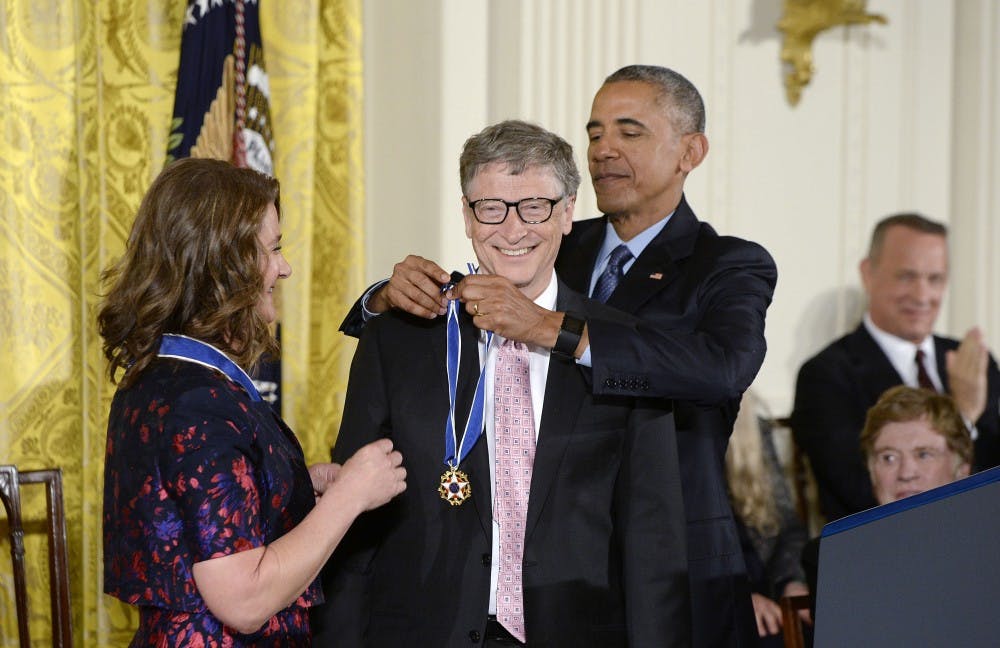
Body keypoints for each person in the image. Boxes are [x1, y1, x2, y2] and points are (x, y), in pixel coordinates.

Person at [340, 65, 776, 647]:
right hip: (448, 606)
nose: (605, 150)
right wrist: (380, 301)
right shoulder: (553, 242)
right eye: (595, 134)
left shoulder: (727, 264)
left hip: (651, 566)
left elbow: (720, 368)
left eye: (630, 132)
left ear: (689, 151)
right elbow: (490, 262)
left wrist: (553, 329)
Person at [312, 120, 690, 647]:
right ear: (466, 216)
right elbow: (353, 520)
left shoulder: (616, 343)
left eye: (534, 206)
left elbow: (653, 535)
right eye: (491, 208)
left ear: (567, 212)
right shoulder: (400, 339)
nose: (513, 230)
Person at [98, 158, 407, 646]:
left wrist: (301, 488)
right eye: (273, 250)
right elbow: (244, 599)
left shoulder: (164, 376)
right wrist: (351, 497)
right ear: (224, 263)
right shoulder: (198, 400)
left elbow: (189, 517)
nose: (284, 268)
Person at [791, 213, 1000, 522]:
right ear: (868, 273)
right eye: (906, 276)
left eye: (935, 279)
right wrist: (963, 419)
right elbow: (859, 491)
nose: (922, 295)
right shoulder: (826, 374)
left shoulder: (971, 362)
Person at [800, 385, 973, 598]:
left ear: (962, 468)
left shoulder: (988, 546)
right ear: (872, 472)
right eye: (889, 458)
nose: (906, 473)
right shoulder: (833, 558)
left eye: (924, 455)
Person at [726, 391, 810, 646]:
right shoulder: (665, 438)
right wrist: (737, 596)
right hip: (714, 596)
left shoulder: (753, 429)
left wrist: (790, 582)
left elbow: (789, 528)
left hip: (769, 587)